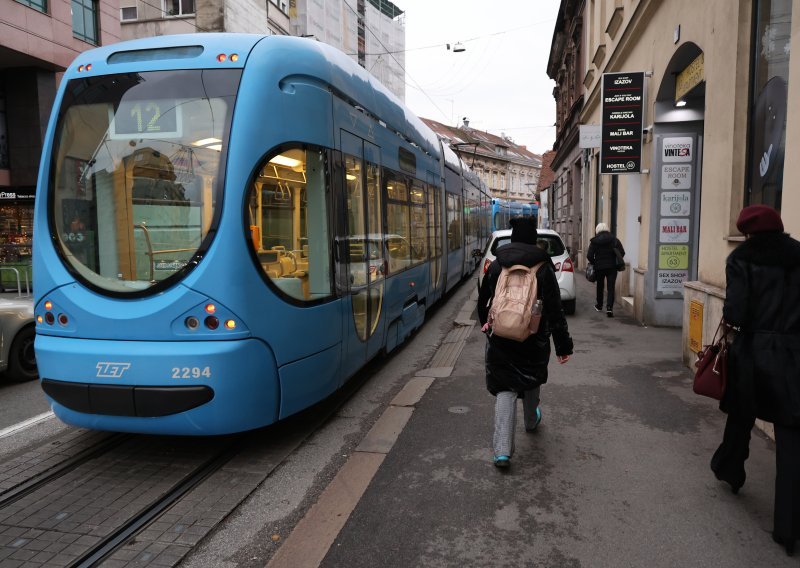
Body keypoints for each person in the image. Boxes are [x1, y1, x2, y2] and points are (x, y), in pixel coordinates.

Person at [710, 204, 800, 556]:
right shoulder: (798, 256)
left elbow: (735, 312)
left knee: (741, 412)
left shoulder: (742, 259)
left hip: (754, 351)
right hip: (794, 354)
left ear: (747, 232)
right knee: (792, 435)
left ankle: (731, 470)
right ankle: (789, 528)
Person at [477, 216, 573, 468]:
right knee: (530, 378)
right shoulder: (543, 267)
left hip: (501, 338)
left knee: (504, 387)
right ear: (533, 239)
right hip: (533, 337)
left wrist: (485, 324)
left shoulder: (497, 264)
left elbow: (483, 299)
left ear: (512, 237)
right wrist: (563, 346)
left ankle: (502, 451)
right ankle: (531, 420)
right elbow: (555, 310)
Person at [587, 223, 625, 317]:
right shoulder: (614, 240)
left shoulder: (594, 241)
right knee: (611, 287)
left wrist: (595, 262)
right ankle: (609, 309)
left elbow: (589, 256)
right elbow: (622, 252)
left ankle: (599, 306)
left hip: (599, 267)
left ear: (597, 230)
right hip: (612, 267)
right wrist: (614, 259)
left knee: (600, 286)